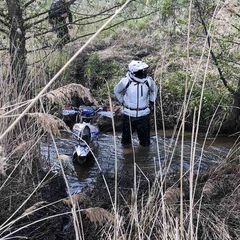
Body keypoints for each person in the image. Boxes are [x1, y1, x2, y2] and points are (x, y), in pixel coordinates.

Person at [114, 60, 158, 146]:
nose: (143, 73)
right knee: (126, 142)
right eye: (141, 72)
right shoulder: (125, 81)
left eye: (144, 71)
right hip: (128, 115)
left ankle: (144, 158)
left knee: (145, 143)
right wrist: (122, 101)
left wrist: (152, 101)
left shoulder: (148, 81)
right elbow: (116, 91)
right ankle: (127, 157)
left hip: (144, 115)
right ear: (133, 72)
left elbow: (155, 90)